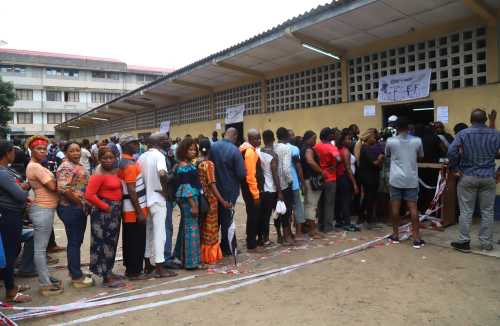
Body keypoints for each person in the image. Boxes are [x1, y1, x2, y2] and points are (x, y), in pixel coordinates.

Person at [448, 109, 500, 252]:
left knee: (466, 211)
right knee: (488, 211)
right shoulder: (496, 134)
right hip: (488, 176)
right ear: (485, 120)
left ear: (470, 120)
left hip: (468, 176)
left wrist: (455, 168)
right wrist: (498, 173)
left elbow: (451, 151)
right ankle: (486, 244)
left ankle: (464, 242)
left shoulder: (463, 134)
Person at [25, 135, 63, 296]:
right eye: (38, 149)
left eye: (44, 149)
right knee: (40, 250)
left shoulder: (36, 165)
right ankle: (45, 284)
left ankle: (46, 277)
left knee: (41, 248)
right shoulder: (36, 167)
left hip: (44, 209)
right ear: (31, 150)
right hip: (42, 209)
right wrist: (67, 180)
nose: (42, 152)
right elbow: (53, 187)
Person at [138, 133, 177, 277]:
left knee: (148, 233)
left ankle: (147, 263)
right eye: (166, 139)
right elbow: (162, 174)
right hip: (158, 199)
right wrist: (165, 191)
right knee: (160, 234)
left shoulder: (142, 157)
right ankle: (160, 267)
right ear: (160, 142)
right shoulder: (159, 156)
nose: (169, 141)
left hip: (145, 200)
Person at [85, 147, 124, 287]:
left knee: (112, 243)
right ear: (99, 159)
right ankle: (106, 276)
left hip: (114, 212)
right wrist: (106, 207)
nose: (108, 160)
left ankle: (109, 271)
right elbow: (89, 195)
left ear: (115, 158)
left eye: (111, 157)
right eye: (104, 158)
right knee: (103, 243)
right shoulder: (98, 174)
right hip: (103, 213)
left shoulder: (114, 172)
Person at [56, 142, 94, 288]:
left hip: (77, 207)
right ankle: (76, 275)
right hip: (71, 208)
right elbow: (64, 189)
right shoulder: (66, 167)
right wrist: (79, 202)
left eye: (77, 150)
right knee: (74, 241)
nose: (76, 153)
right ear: (66, 153)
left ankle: (75, 271)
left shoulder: (76, 165)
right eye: (71, 151)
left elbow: (77, 185)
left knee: (76, 241)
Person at [385, 117, 425, 249]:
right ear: (408, 128)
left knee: (395, 208)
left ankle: (395, 235)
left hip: (395, 178)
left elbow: (388, 155)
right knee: (413, 208)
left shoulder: (390, 141)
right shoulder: (417, 140)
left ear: (396, 128)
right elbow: (421, 156)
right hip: (411, 178)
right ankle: (417, 238)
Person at [0, 140, 32, 303]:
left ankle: (11, 284)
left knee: (13, 248)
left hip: (12, 213)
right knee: (9, 252)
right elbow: (19, 195)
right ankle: (10, 290)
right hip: (8, 215)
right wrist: (25, 189)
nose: (14, 154)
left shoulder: (6, 171)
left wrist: (21, 188)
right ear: (7, 153)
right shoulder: (2, 172)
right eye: (12, 151)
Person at [210, 128, 246, 256]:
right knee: (228, 219)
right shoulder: (235, 151)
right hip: (229, 190)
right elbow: (241, 173)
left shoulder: (213, 147)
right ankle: (228, 246)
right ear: (235, 136)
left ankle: (214, 247)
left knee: (216, 219)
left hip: (214, 189)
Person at [118, 136, 149, 280]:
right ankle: (134, 271)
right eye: (134, 143)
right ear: (126, 146)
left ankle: (130, 268)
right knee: (136, 240)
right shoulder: (129, 165)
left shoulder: (124, 161)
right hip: (134, 210)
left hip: (128, 209)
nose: (137, 145)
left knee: (130, 239)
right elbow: (131, 190)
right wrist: (139, 212)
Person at [197, 139, 230, 264]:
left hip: (202, 199)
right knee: (211, 229)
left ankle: (202, 253)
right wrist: (222, 201)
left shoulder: (198, 163)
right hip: (211, 200)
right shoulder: (209, 164)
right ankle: (210, 256)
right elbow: (212, 184)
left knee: (204, 227)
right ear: (210, 150)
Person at [173, 138, 203, 269]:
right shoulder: (184, 166)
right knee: (191, 231)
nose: (193, 152)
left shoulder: (188, 164)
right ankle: (191, 262)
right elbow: (186, 187)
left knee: (187, 229)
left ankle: (182, 258)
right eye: (190, 149)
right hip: (189, 200)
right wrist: (194, 205)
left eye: (194, 149)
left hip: (190, 199)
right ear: (183, 151)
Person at [239, 129, 263, 252]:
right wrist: (256, 194)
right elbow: (250, 175)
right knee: (253, 215)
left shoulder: (246, 149)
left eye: (259, 138)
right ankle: (251, 243)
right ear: (250, 139)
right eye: (256, 138)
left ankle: (251, 239)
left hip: (247, 187)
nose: (259, 140)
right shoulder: (249, 152)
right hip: (250, 188)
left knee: (252, 214)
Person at [258, 130, 282, 246]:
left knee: (265, 215)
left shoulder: (259, 152)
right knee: (276, 213)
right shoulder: (273, 155)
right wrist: (280, 191)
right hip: (272, 189)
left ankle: (264, 237)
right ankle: (279, 235)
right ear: (273, 139)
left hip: (263, 189)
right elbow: (275, 174)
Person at [314, 127, 340, 233]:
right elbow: (338, 158)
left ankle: (320, 225)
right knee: (329, 203)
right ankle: (328, 227)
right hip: (330, 178)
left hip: (320, 177)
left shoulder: (316, 147)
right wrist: (333, 166)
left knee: (320, 203)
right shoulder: (331, 147)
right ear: (329, 136)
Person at [358, 130, 384, 229]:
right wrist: (381, 158)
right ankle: (368, 218)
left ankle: (363, 216)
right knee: (370, 197)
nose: (375, 139)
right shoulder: (365, 148)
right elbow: (375, 163)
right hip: (368, 177)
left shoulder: (369, 148)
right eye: (373, 137)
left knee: (369, 197)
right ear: (368, 138)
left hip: (372, 175)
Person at [335, 129, 360, 232]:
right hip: (345, 178)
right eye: (348, 139)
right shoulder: (345, 151)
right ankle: (347, 223)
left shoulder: (339, 149)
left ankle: (340, 221)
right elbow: (348, 168)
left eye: (351, 139)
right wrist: (354, 184)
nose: (350, 141)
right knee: (346, 201)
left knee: (341, 200)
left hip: (340, 178)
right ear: (343, 140)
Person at [300, 131, 323, 238]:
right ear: (308, 139)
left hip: (306, 179)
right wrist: (321, 171)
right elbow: (310, 161)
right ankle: (312, 230)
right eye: (313, 138)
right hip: (312, 180)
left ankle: (306, 227)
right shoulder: (308, 149)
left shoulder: (302, 148)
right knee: (312, 206)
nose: (315, 141)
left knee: (307, 205)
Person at [274, 127, 294, 244]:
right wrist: (290, 181)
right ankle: (287, 236)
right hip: (284, 184)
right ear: (286, 136)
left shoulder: (274, 147)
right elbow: (286, 168)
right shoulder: (286, 148)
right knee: (286, 210)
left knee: (277, 210)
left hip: (274, 184)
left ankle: (279, 235)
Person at [287, 129, 306, 240]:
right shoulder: (294, 149)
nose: (294, 137)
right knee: (298, 207)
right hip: (294, 183)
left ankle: (288, 233)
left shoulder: (277, 148)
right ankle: (298, 232)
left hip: (284, 184)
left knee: (287, 210)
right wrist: (302, 183)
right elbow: (298, 167)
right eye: (292, 135)